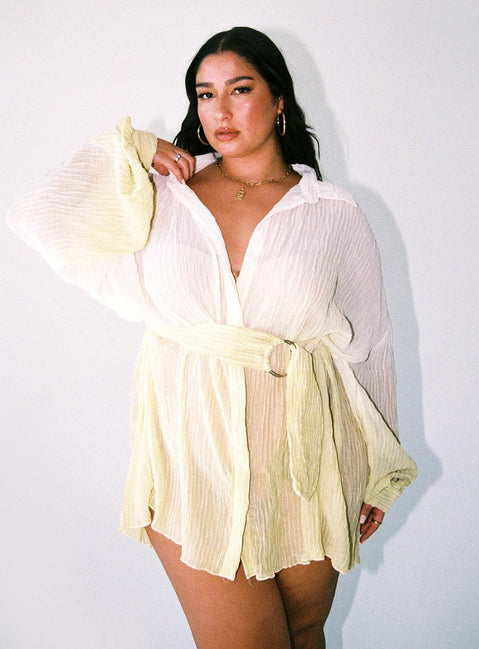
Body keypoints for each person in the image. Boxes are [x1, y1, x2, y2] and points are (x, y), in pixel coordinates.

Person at [7, 26, 417, 649]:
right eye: (205, 94)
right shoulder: (162, 194)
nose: (219, 110)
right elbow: (39, 215)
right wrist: (128, 149)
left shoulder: (333, 212)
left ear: (279, 101)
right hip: (191, 459)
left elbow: (370, 347)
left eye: (240, 89)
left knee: (305, 633)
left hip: (309, 459)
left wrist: (379, 468)